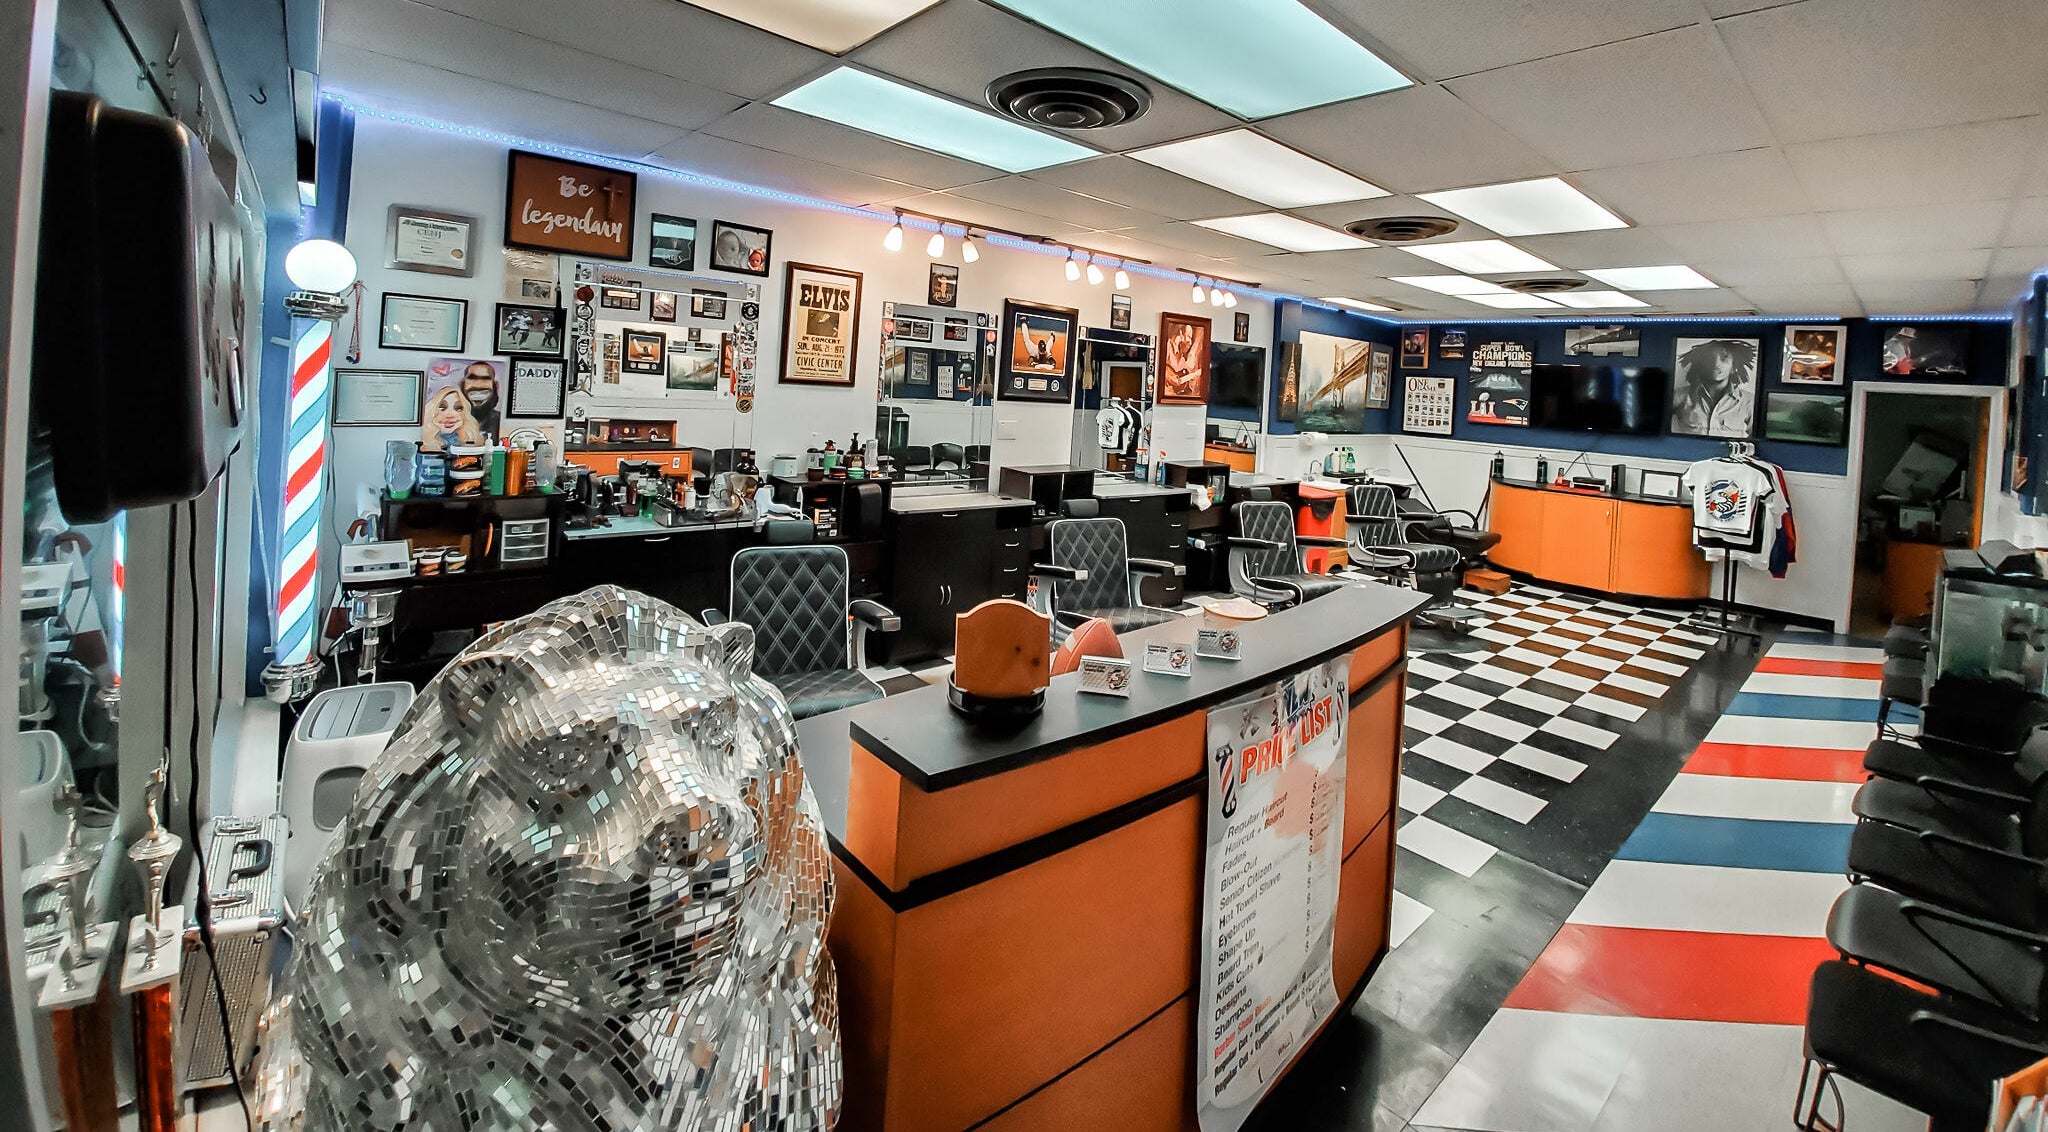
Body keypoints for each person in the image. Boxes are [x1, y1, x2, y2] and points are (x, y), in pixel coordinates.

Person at [1671, 340, 1757, 437]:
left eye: (1724, 358)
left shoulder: (1749, 401)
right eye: (1710, 358)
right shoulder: (1679, 396)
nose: (1716, 363)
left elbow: (1758, 438)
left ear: (1734, 368)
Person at [423, 387, 484, 452]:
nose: (450, 415)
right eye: (442, 408)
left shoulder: (470, 441)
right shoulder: (423, 443)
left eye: (459, 408)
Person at [459, 361, 502, 439]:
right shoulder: (450, 421)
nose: (478, 385)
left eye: (485, 379)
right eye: (472, 378)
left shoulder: (501, 421)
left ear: (496, 386)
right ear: (462, 385)